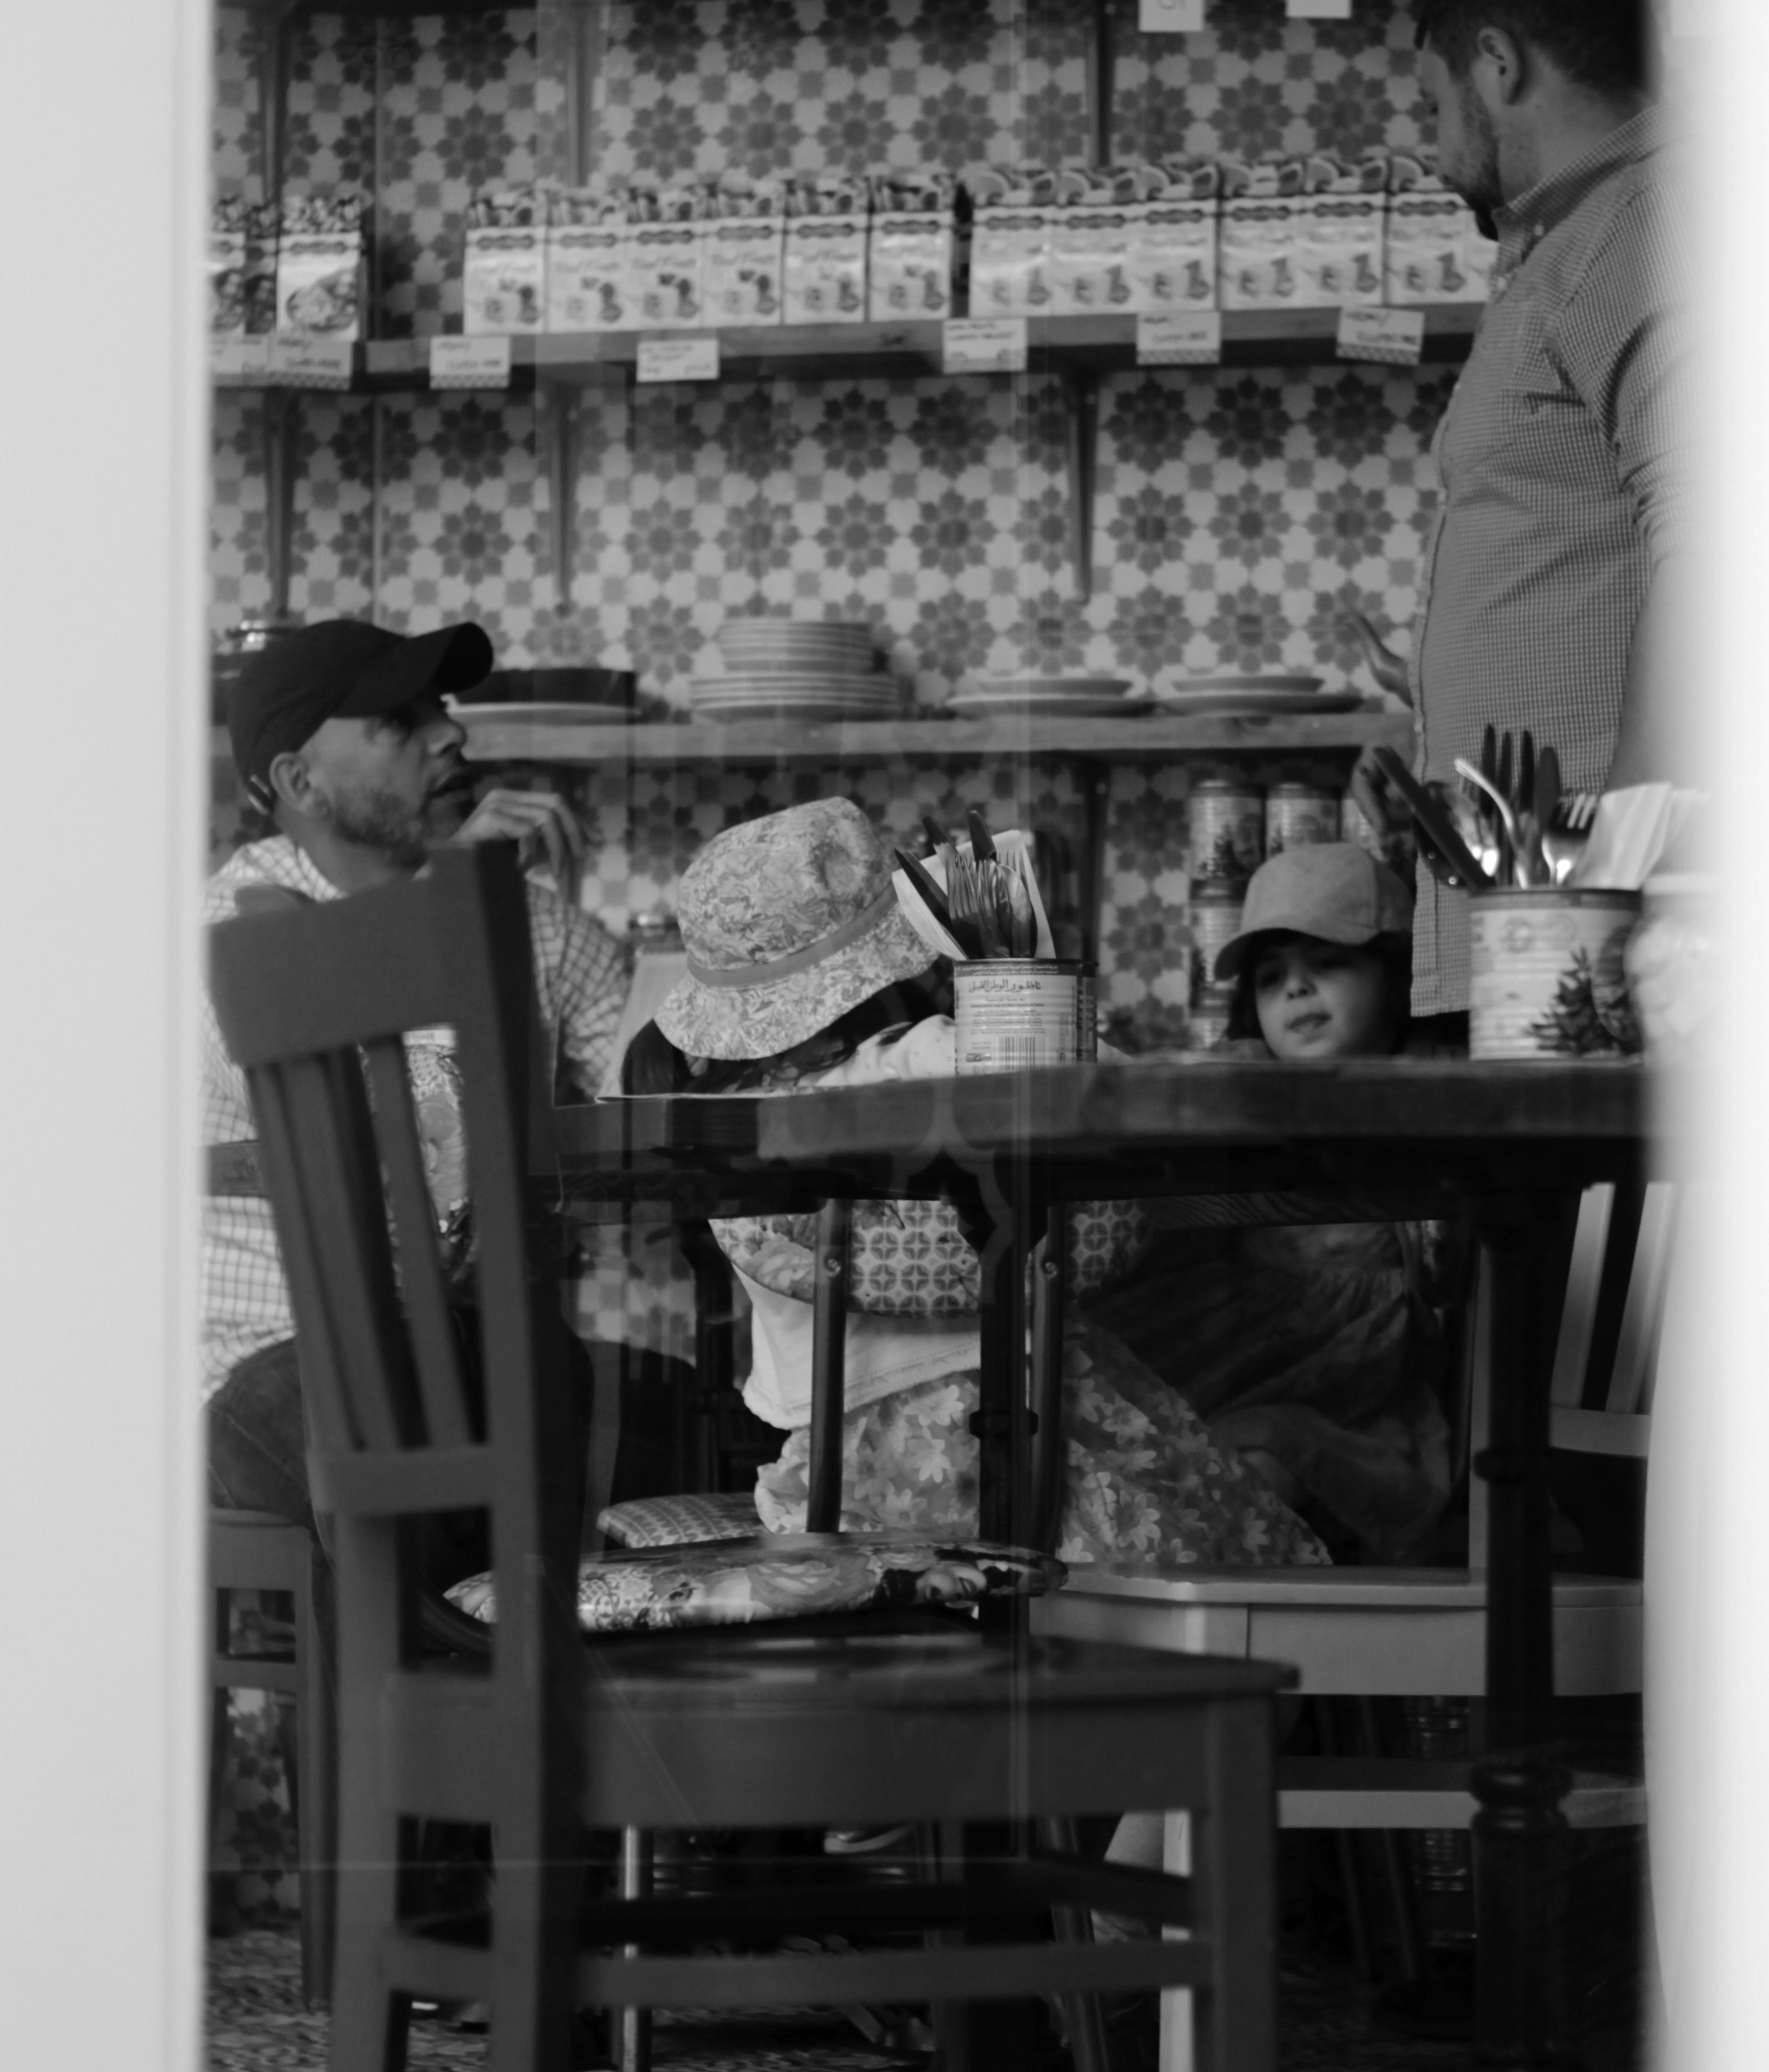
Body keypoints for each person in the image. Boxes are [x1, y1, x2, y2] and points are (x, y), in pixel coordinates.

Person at [624, 796, 1327, 1570]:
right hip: (1023, 1431)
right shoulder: (926, 1056)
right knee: (1209, 1536)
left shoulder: (737, 1119)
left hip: (845, 1478)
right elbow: (1112, 1086)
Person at [202, 617, 627, 1536]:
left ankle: (516, 1620)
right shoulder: (230, 935)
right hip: (265, 1364)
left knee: (662, 1416)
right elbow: (405, 1168)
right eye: (399, 723)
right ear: (299, 782)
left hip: (459, 1345)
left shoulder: (532, 922)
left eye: (441, 710)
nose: (451, 734)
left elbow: (644, 1087)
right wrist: (451, 902)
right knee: (405, 1424)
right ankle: (469, 1623)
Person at [1362, 0, 1688, 1037]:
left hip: (1587, 935)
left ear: (1497, 64)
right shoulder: (1580, 241)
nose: (1432, 144)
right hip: (1538, 919)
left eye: (1433, 104)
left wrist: (1628, 875)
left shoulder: (1644, 224)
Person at [1087, 844, 1462, 1563]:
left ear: (1397, 975)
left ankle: (1228, 1611)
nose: (1295, 990)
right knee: (1123, 1442)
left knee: (1259, 1459)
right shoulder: (1242, 1081)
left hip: (1351, 1407)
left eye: (1327, 962)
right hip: (1210, 1366)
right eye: (1271, 977)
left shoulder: (1435, 1094)